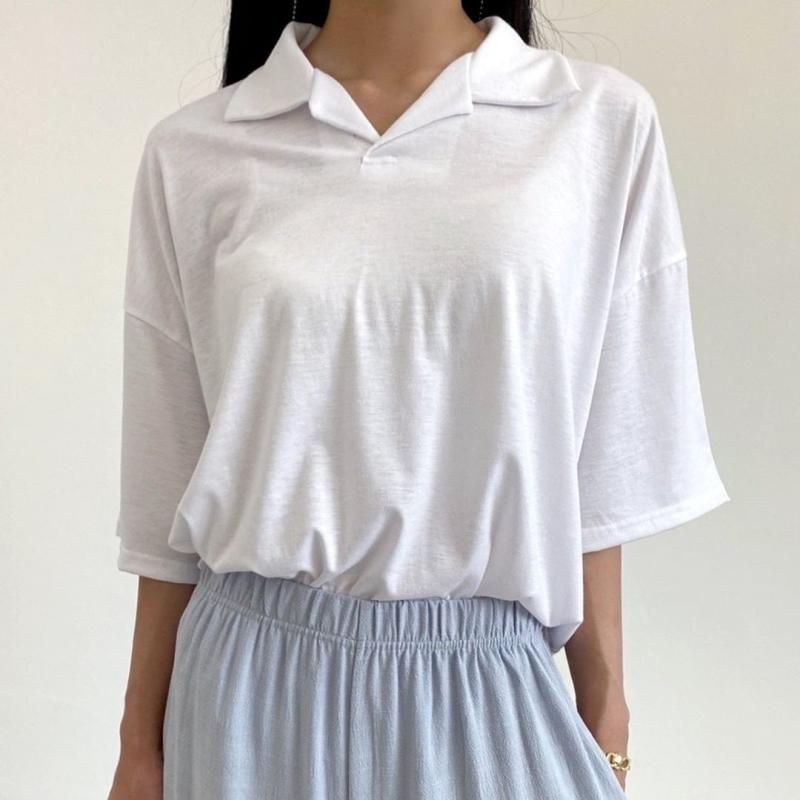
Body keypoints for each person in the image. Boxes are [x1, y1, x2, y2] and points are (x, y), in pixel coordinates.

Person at [108, 1, 731, 798]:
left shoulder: (596, 122)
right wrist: (138, 743)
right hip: (247, 689)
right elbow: (167, 489)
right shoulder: (197, 150)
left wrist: (608, 719)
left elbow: (603, 471)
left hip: (488, 679)